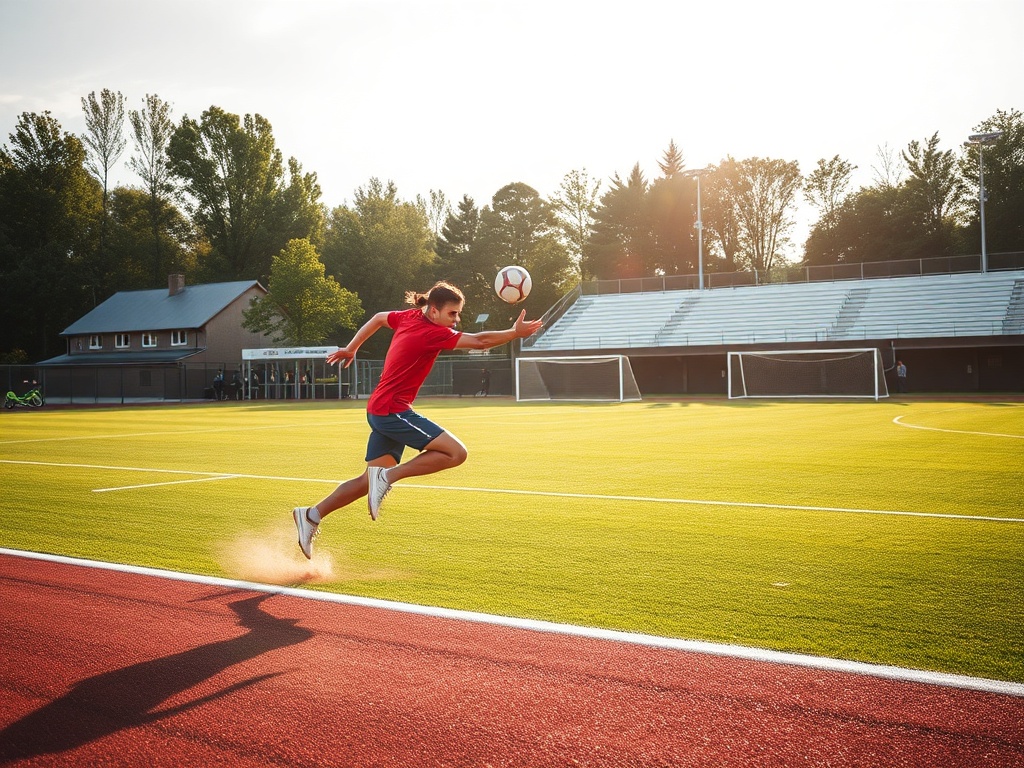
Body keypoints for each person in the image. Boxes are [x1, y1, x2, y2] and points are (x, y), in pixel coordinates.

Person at [292, 281, 543, 559]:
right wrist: (514, 332)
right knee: (456, 453)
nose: (456, 320)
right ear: (433, 310)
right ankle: (387, 477)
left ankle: (311, 515)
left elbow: (377, 319)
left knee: (366, 481)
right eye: (452, 314)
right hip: (392, 411)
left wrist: (352, 348)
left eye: (458, 314)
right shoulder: (431, 332)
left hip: (382, 409)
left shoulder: (409, 317)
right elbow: (480, 341)